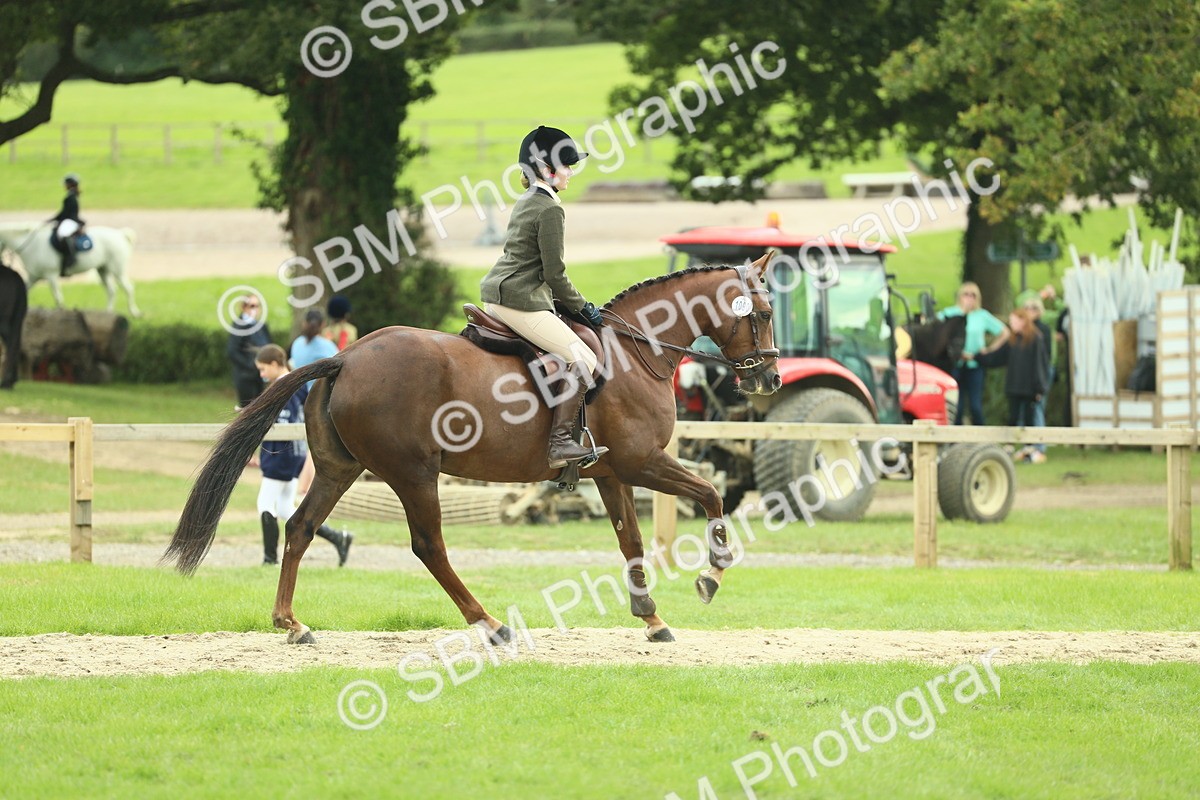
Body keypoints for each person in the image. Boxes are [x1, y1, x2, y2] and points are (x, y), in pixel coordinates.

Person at [479, 125, 608, 469]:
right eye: (566, 166)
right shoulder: (551, 209)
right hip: (520, 300)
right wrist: (585, 308)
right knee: (584, 360)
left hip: (501, 292)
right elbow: (555, 273)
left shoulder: (529, 199)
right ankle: (560, 444)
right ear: (547, 169)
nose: (570, 172)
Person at [253, 344, 352, 566]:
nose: (261, 375)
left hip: (280, 455)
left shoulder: (283, 386)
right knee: (288, 508)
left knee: (265, 503)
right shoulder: (298, 385)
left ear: (275, 364)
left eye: (263, 369)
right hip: (295, 453)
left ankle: (270, 559)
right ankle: (338, 538)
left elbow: (282, 421)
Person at [939, 282, 1009, 425]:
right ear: (960, 296)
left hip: (975, 363)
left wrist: (989, 350)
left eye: (973, 295)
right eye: (966, 294)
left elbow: (1004, 332)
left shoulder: (981, 315)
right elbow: (933, 328)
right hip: (955, 363)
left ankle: (979, 436)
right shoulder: (950, 314)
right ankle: (955, 438)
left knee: (975, 405)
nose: (969, 298)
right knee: (956, 405)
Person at [989, 308, 1050, 458]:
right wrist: (979, 357)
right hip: (1015, 385)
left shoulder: (1036, 339)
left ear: (1022, 321)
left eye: (1014, 321)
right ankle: (1010, 445)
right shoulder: (1013, 340)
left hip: (1029, 387)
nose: (1011, 324)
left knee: (1029, 418)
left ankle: (1028, 447)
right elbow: (998, 356)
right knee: (1013, 417)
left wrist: (1039, 388)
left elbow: (1039, 364)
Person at [1016, 293, 1054, 461]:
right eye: (1027, 308)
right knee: (1026, 412)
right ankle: (1028, 446)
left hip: (1040, 373)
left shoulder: (1043, 330)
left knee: (1038, 408)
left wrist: (1040, 382)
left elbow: (1044, 358)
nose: (1030, 311)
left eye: (1034, 308)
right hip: (1027, 375)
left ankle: (1040, 446)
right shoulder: (1022, 331)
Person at [227, 295, 272, 411]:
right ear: (244, 307)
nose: (255, 309)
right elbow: (232, 351)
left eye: (257, 306)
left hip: (261, 376)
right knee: (248, 410)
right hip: (246, 376)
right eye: (252, 306)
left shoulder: (261, 326)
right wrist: (250, 366)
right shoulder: (239, 326)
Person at [48, 174, 84, 277]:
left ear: (70, 184)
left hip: (71, 221)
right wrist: (52, 219)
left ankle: (71, 259)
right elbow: (63, 213)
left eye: (66, 184)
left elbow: (66, 213)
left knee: (62, 233)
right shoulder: (71, 195)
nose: (65, 185)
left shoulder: (71, 197)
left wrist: (57, 219)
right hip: (68, 220)